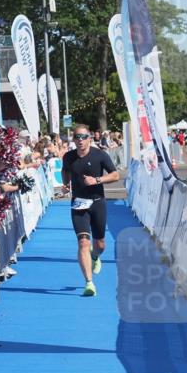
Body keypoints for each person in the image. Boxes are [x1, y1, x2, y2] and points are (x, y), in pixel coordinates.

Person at [61, 124, 118, 297]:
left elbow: (115, 175)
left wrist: (97, 180)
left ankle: (95, 257)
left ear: (89, 138)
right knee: (83, 243)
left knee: (99, 245)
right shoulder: (69, 157)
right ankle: (89, 282)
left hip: (98, 203)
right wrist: (66, 185)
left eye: (83, 137)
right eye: (76, 137)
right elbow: (65, 171)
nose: (79, 140)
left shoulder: (100, 155)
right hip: (79, 204)